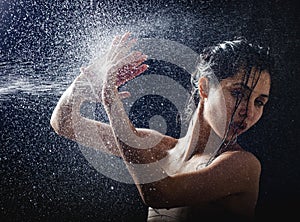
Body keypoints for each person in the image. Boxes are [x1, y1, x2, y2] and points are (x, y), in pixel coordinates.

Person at [50, 32, 272, 221]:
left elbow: (160, 194)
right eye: (238, 94)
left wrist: (111, 101)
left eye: (259, 102)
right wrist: (83, 84)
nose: (249, 112)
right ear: (205, 87)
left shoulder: (242, 166)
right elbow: (66, 123)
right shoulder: (158, 148)